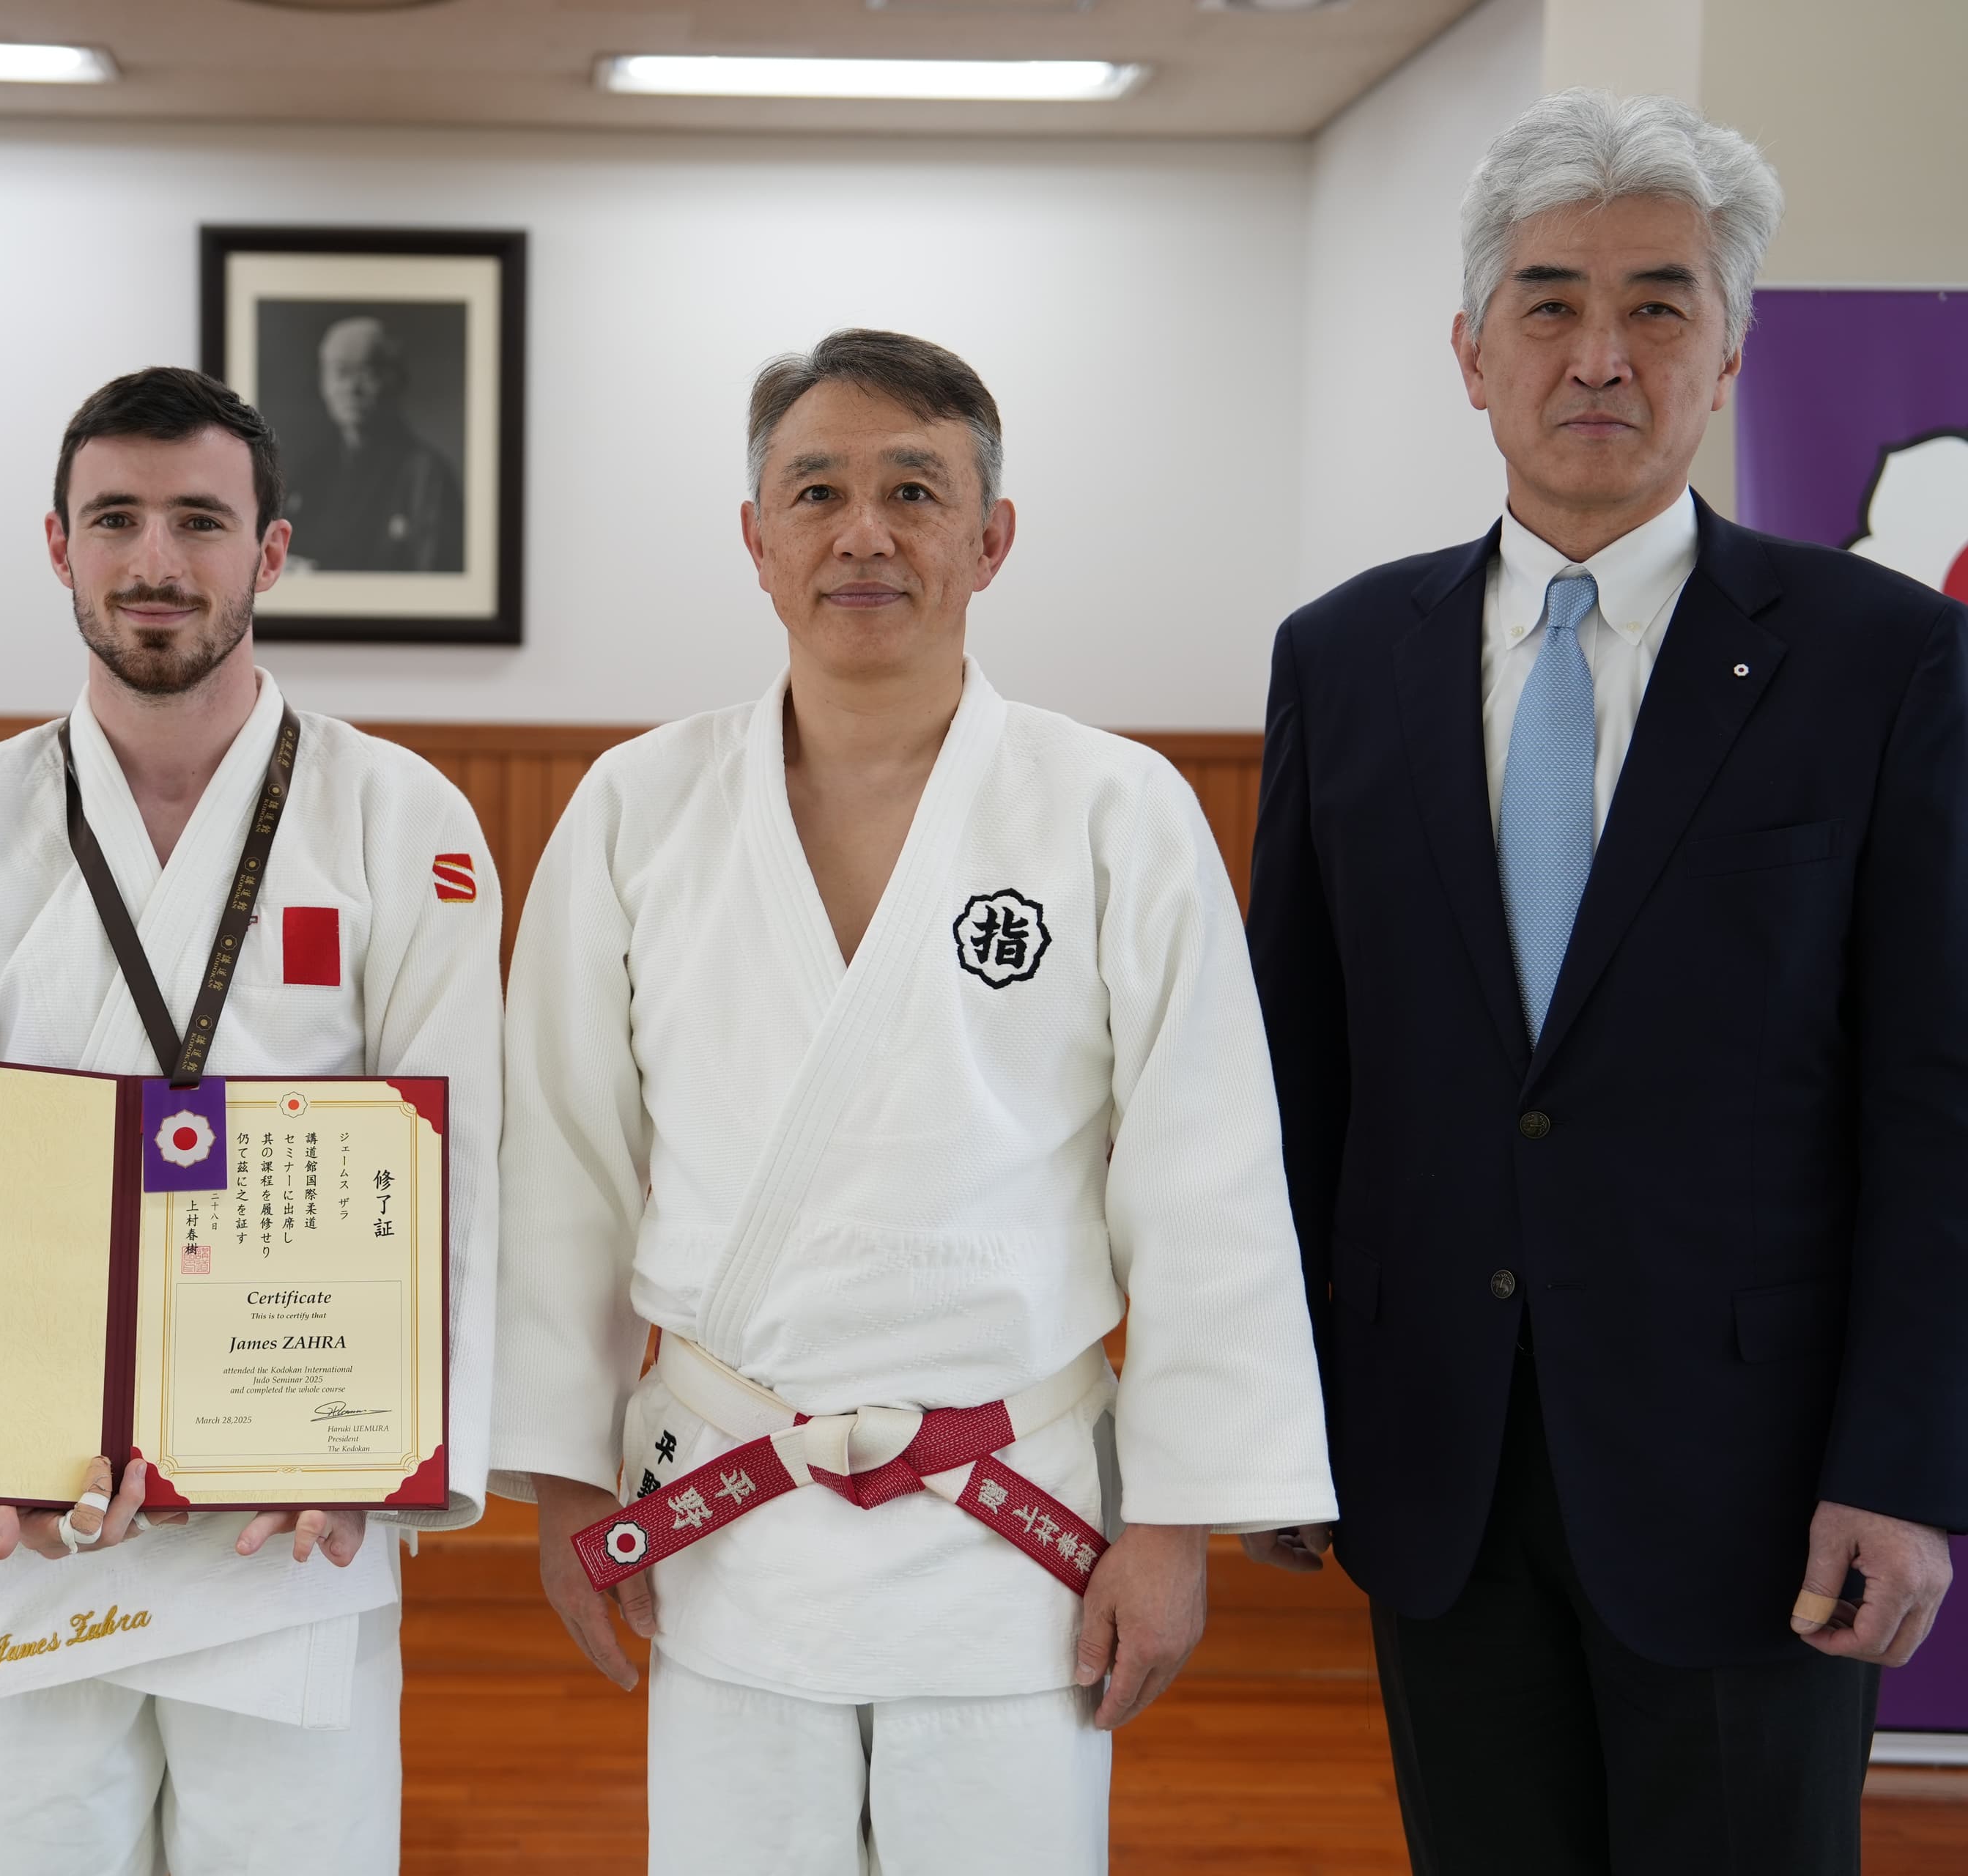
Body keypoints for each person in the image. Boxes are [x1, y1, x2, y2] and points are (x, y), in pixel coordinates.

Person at [492, 329, 1335, 1875]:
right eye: (815, 490)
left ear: (991, 537)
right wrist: (561, 1477)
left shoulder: (1115, 808)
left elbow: (1206, 1179)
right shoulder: (635, 807)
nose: (862, 532)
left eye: (914, 491)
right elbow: (564, 1163)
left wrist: (1178, 1521)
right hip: (731, 1502)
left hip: (1015, 1515)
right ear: (756, 538)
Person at [1245, 92, 1966, 1875]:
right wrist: (1261, 1411)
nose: (1597, 352)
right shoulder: (1341, 659)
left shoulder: (1886, 663)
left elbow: (1936, 1092)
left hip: (1758, 1483)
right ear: (1469, 351)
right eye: (1547, 301)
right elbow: (1290, 1079)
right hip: (1438, 1465)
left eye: (1656, 303)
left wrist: (1903, 1459)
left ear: (1726, 354)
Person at [0, 366, 500, 1874]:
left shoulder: (404, 823)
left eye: (200, 519)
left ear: (269, 551)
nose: (155, 560)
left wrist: (374, 1447)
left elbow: (462, 1172)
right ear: (58, 544)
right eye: (115, 519)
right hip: (29, 1517)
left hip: (292, 1521)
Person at [281, 316, 465, 573]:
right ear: (323, 384)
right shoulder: (310, 472)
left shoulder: (426, 476)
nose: (351, 388)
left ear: (397, 381)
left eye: (367, 373)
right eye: (340, 372)